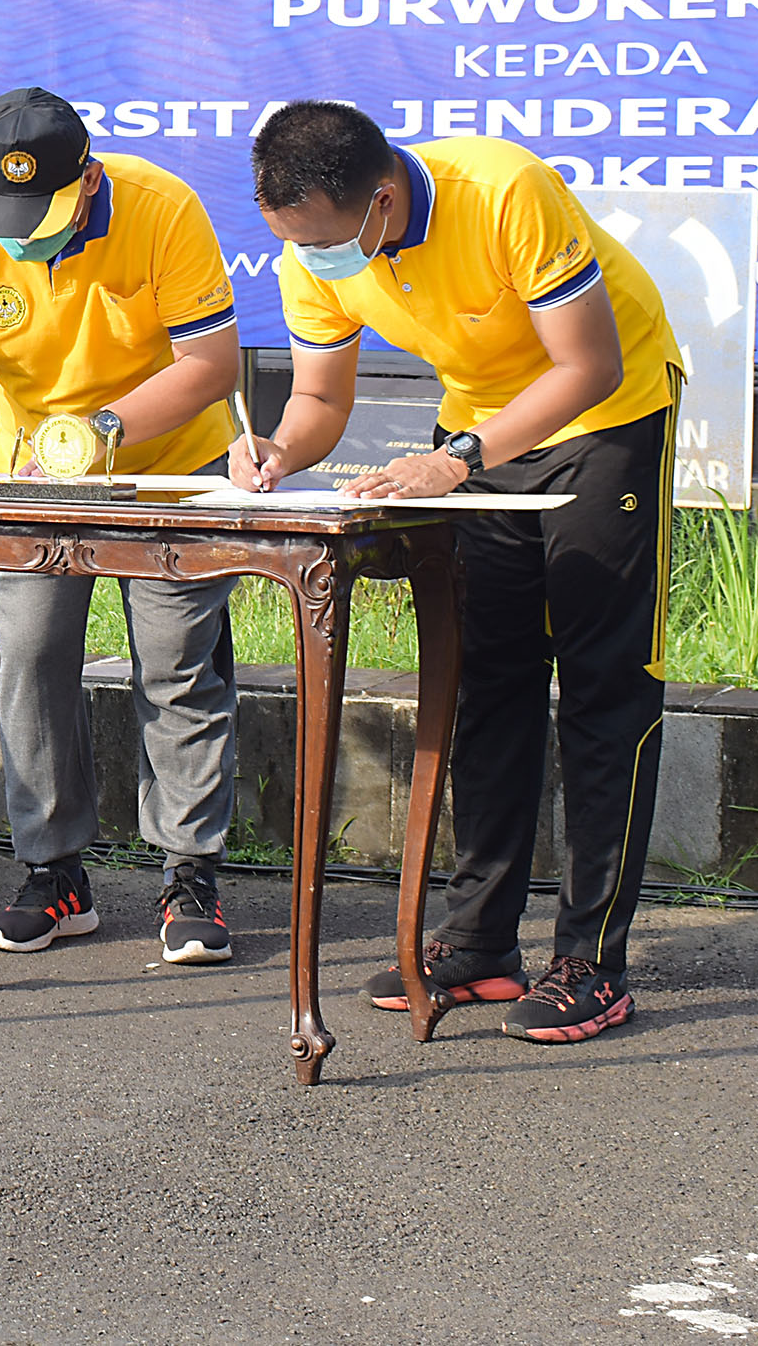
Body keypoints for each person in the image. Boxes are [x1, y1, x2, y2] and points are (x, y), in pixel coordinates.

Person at [233, 101, 682, 1044]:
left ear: (382, 200)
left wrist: (460, 458)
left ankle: (592, 961)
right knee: (489, 680)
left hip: (607, 416)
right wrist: (278, 449)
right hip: (481, 432)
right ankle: (479, 943)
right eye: (294, 244)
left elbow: (588, 364)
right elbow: (319, 395)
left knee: (606, 687)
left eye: (324, 242)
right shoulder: (310, 247)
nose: (313, 261)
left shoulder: (503, 188)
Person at [0, 86, 246, 965]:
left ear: (90, 176)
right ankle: (54, 871)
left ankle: (190, 873)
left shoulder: (160, 207)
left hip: (166, 470)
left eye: (45, 211)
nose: (22, 229)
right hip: (32, 478)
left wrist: (102, 431)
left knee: (176, 663)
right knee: (30, 655)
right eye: (7, 210)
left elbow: (212, 363)